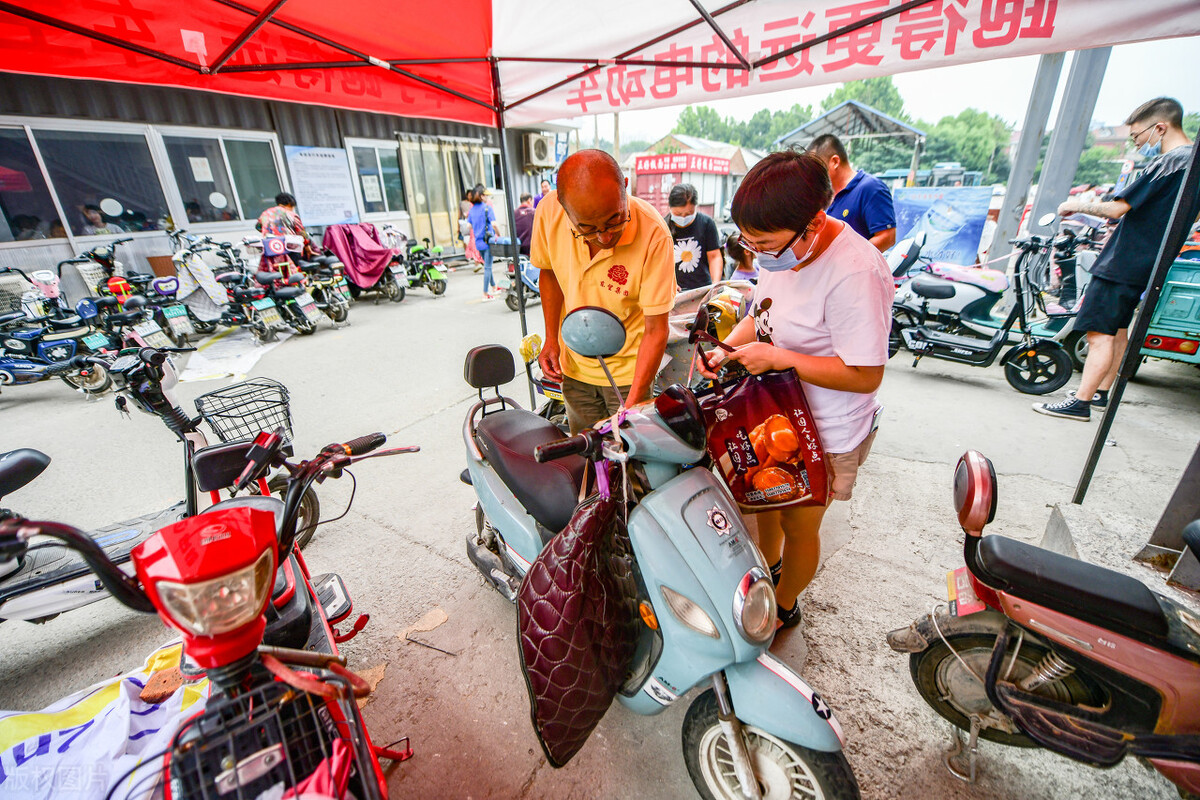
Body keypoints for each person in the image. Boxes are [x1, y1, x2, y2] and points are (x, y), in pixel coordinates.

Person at [698, 150, 892, 630]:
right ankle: (769, 564)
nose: (758, 252)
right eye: (749, 242)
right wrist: (727, 349)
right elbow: (759, 314)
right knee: (767, 502)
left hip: (824, 429)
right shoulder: (780, 255)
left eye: (765, 242)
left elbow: (865, 374)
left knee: (800, 524)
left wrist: (780, 359)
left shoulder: (856, 272)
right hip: (773, 413)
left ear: (814, 222)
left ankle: (783, 604)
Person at [1034, 97, 1197, 422]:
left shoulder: (1168, 163)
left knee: (1098, 334)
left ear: (1160, 127)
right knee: (1118, 329)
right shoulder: (1193, 165)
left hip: (1124, 261)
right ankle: (1100, 393)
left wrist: (1074, 205)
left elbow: (1116, 208)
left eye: (1138, 136)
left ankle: (1079, 402)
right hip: (1148, 263)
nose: (1137, 142)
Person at [531, 149, 675, 433]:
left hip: (629, 377)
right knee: (587, 457)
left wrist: (634, 401)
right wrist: (551, 339)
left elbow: (656, 329)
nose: (604, 237)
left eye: (614, 220)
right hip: (573, 369)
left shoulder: (654, 234)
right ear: (562, 206)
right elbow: (548, 273)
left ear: (625, 186)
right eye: (586, 228)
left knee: (630, 467)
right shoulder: (548, 211)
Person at [807, 134, 896, 252]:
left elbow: (887, 237)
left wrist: (850, 260)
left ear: (835, 161)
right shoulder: (825, 195)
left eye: (817, 167)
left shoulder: (870, 188)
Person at [666, 183, 723, 290]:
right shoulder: (663, 227)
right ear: (670, 207)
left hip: (703, 287)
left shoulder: (706, 223)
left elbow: (714, 256)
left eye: (688, 213)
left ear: (695, 207)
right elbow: (659, 264)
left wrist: (715, 284)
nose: (683, 217)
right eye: (678, 214)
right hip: (675, 291)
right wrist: (669, 284)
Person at [256, 192, 312, 274]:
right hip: (290, 248)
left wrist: (270, 229)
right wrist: (307, 246)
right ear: (289, 204)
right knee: (294, 272)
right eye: (292, 207)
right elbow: (301, 232)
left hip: (272, 249)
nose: (292, 209)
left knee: (277, 273)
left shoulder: (265, 214)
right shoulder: (291, 214)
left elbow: (258, 227)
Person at [468, 183, 500, 301]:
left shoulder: (472, 211)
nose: (487, 198)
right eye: (485, 196)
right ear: (481, 196)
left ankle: (494, 287)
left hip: (478, 243)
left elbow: (468, 226)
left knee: (487, 266)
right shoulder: (487, 208)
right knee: (487, 267)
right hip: (488, 242)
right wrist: (499, 234)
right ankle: (485, 294)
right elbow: (494, 224)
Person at [460, 189, 483, 265]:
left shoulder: (474, 205)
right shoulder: (464, 204)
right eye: (468, 195)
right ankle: (477, 260)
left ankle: (478, 261)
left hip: (475, 228)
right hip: (471, 227)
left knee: (475, 244)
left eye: (471, 195)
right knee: (471, 243)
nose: (470, 196)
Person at [514, 193, 535, 257]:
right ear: (529, 200)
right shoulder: (533, 212)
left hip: (518, 247)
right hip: (531, 248)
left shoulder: (514, 213)